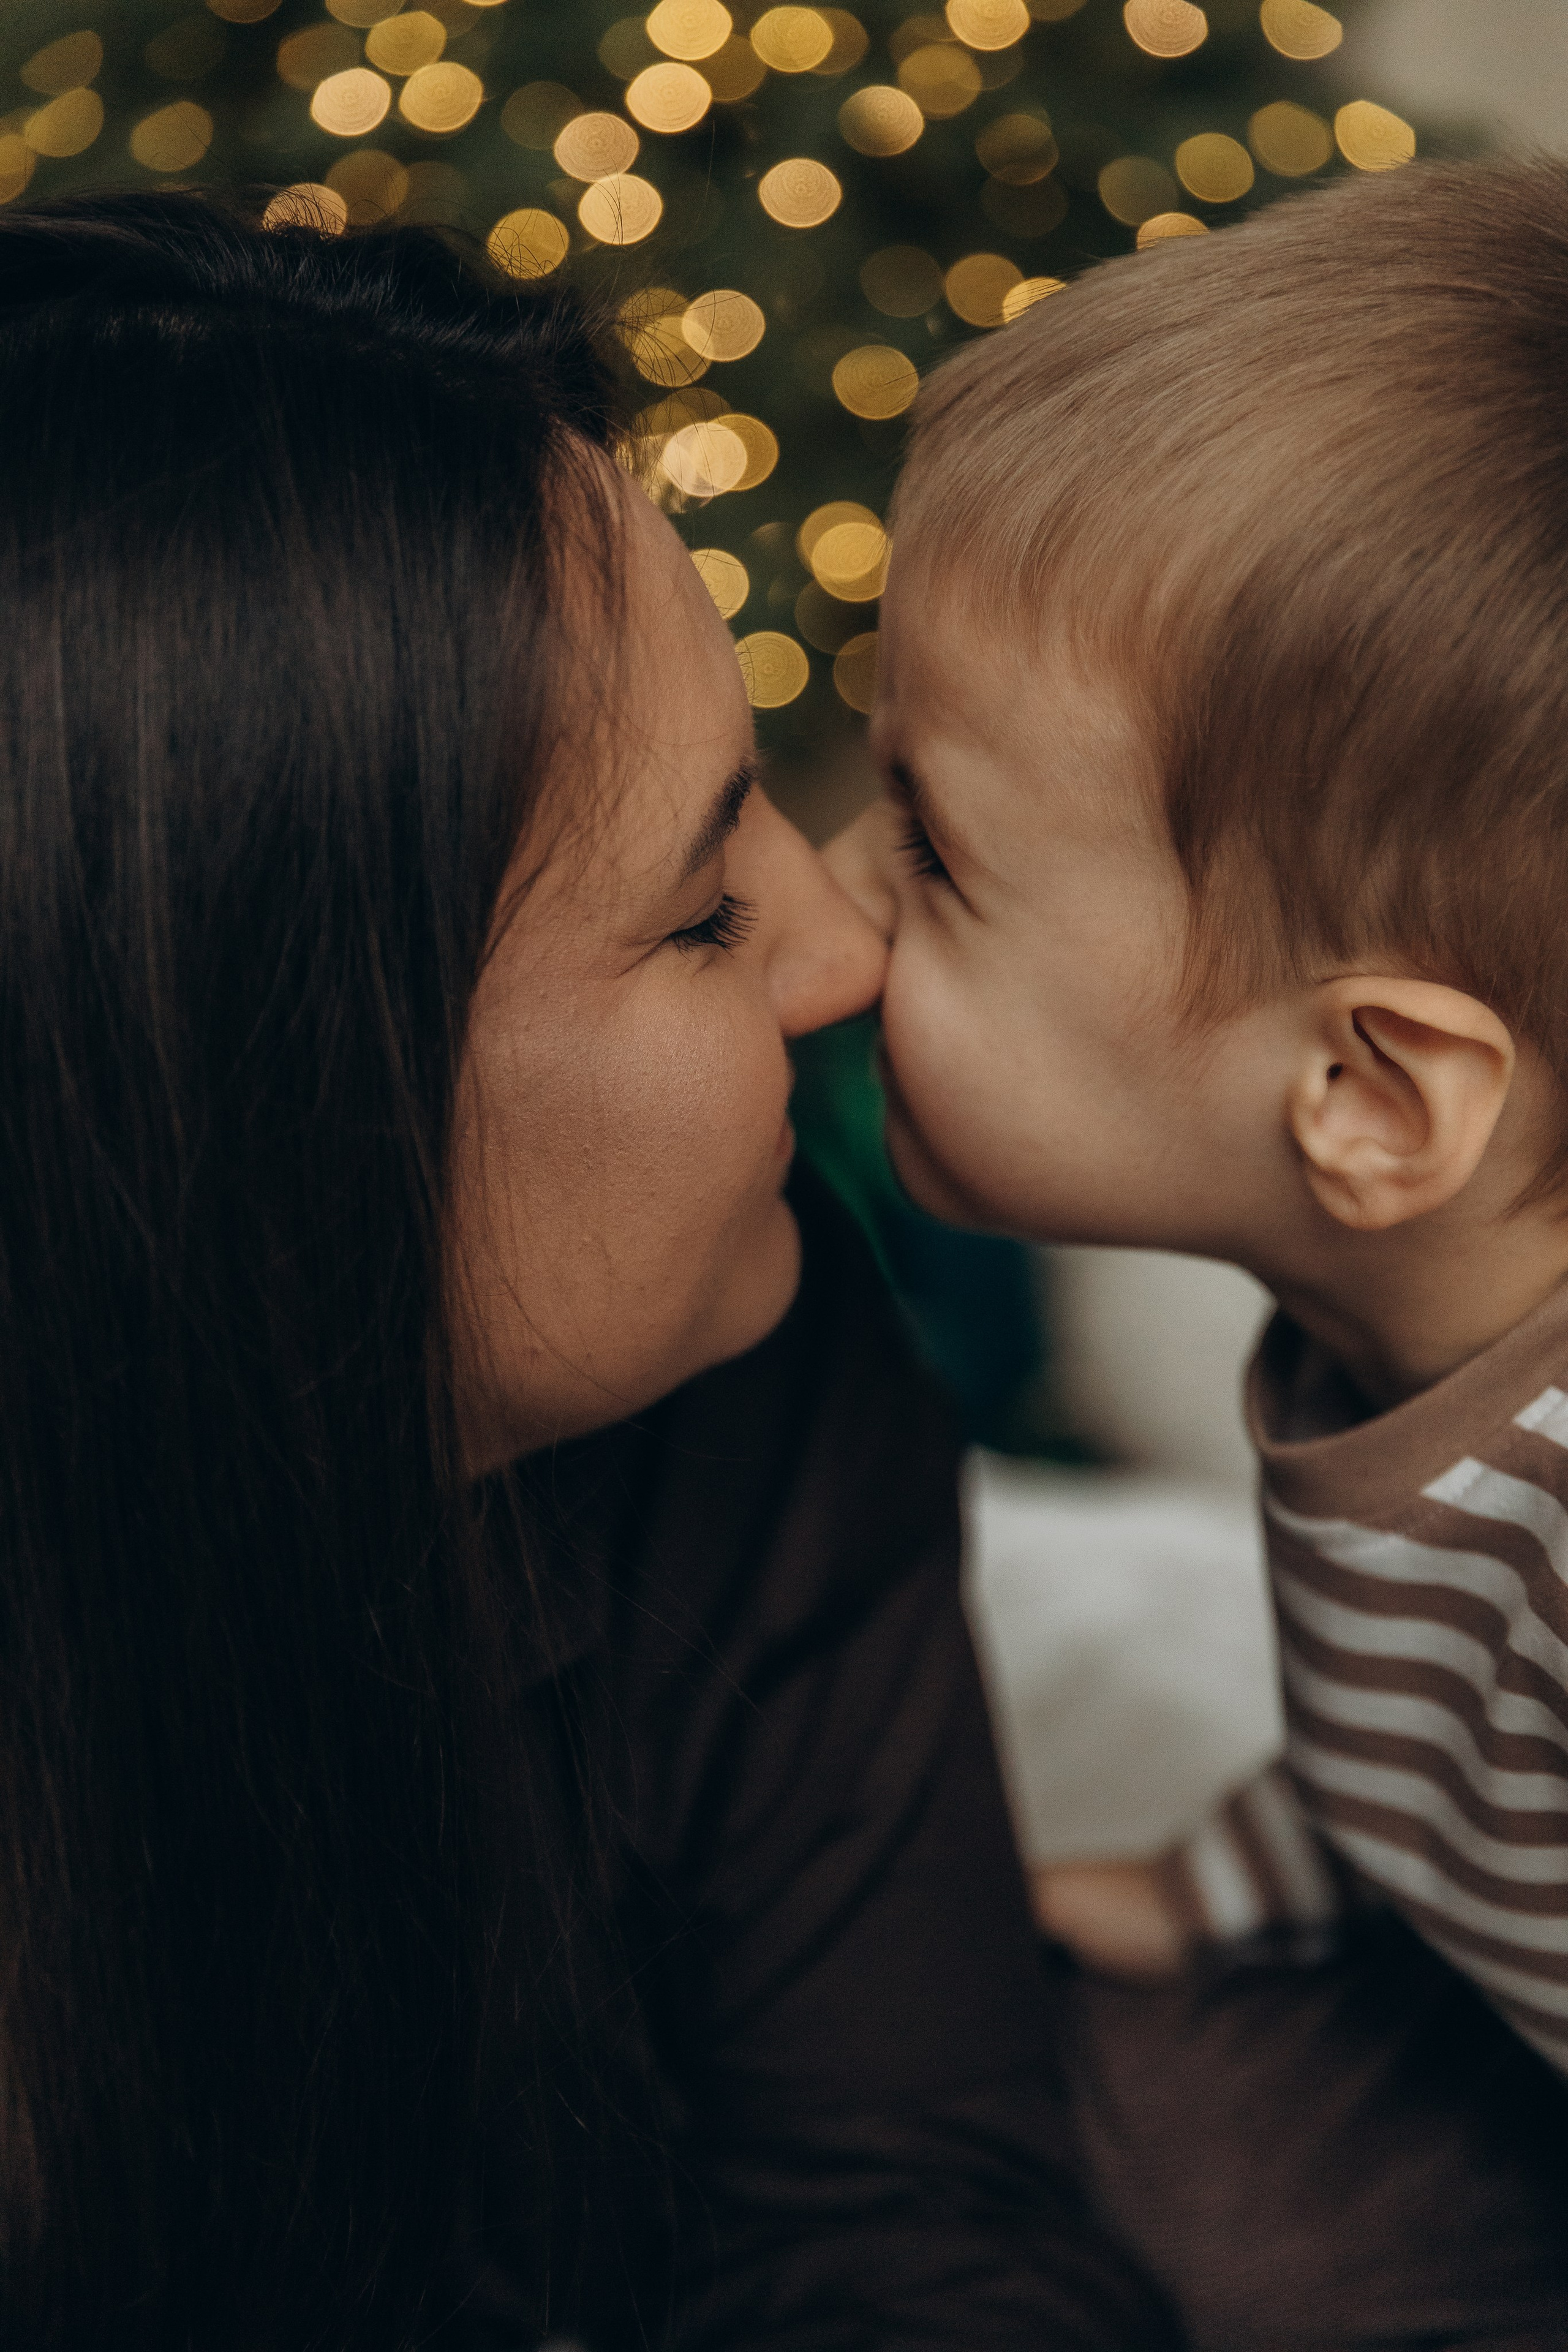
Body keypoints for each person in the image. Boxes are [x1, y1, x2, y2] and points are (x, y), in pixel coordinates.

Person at [0, 190, 1182, 2351]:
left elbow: (900, 2201)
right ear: (267, 1102)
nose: (839, 953)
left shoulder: (743, 1347)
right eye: (699, 910)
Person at [829, 159, 1568, 2346]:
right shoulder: (1399, 1328)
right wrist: (1216, 1883)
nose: (832, 899)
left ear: (1366, 1095)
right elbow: (1425, 1732)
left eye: (936, 852)